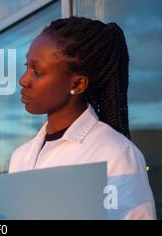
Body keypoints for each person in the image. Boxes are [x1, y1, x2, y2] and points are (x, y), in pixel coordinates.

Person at [9, 17, 156, 219]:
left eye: (37, 71)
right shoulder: (21, 156)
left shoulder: (115, 153)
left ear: (78, 84)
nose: (23, 80)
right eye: (27, 66)